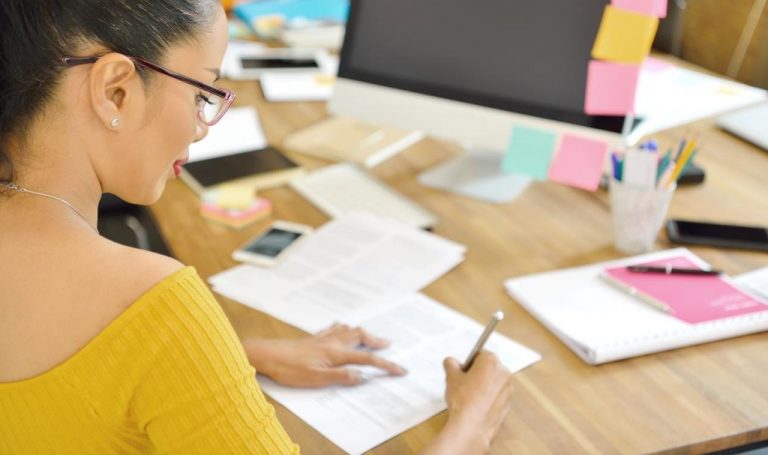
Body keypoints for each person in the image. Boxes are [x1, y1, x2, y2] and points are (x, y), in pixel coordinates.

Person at [0, 1, 515, 453]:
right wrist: (470, 429)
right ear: (115, 91)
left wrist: (225, 364)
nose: (203, 127)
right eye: (203, 93)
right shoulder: (154, 306)